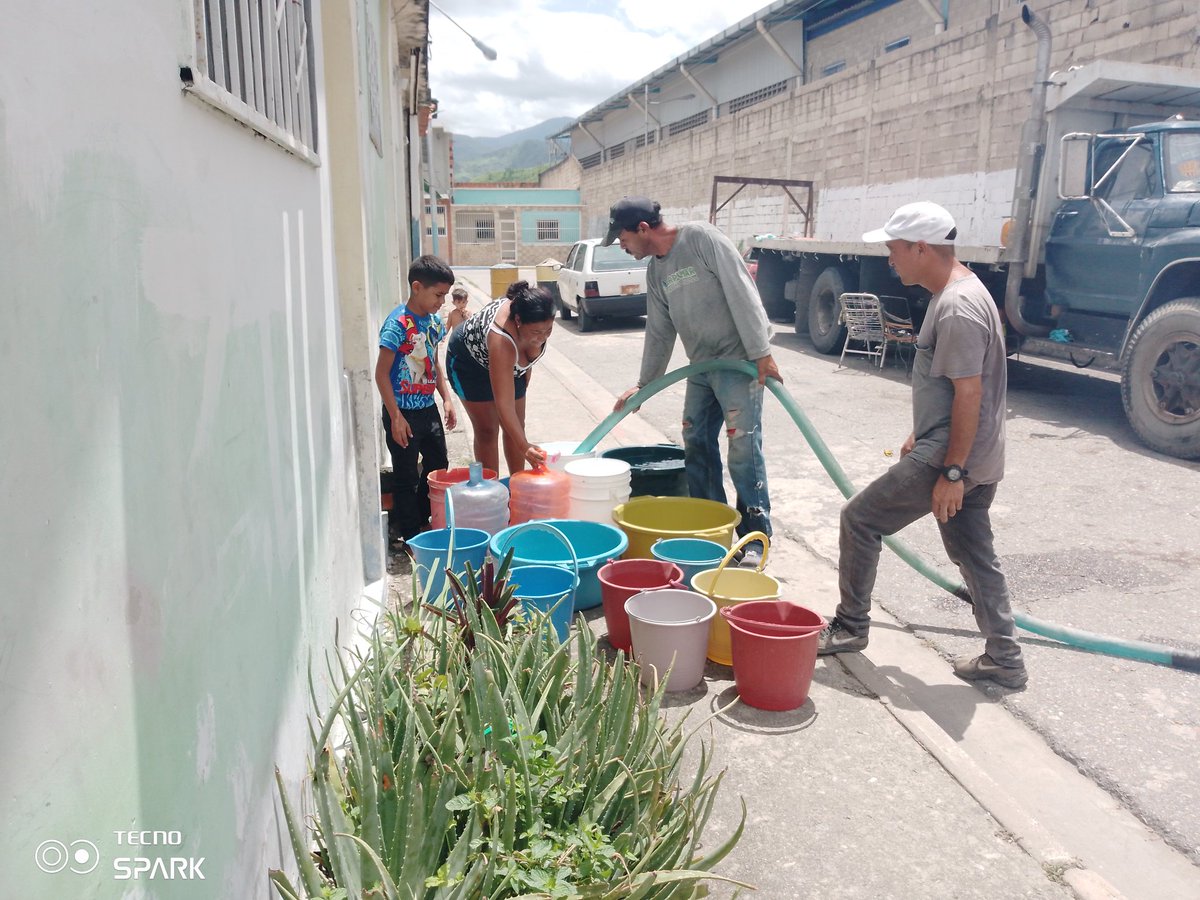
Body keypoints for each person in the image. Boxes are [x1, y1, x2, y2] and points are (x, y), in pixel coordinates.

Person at [817, 201, 1027, 689]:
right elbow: (957, 386)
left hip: (953, 457)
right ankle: (1005, 660)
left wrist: (952, 472)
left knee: (860, 519)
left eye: (894, 249)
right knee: (975, 557)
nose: (890, 259)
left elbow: (970, 392)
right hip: (974, 451)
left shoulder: (955, 307)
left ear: (920, 247)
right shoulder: (961, 290)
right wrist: (924, 429)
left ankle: (850, 627)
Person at [608, 196, 780, 567]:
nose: (620, 246)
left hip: (739, 362)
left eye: (622, 238)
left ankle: (755, 538)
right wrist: (645, 384)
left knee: (742, 448)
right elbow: (659, 330)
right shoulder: (655, 271)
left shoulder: (702, 239)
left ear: (642, 228)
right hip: (701, 366)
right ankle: (711, 527)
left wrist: (760, 351)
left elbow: (742, 292)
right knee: (696, 440)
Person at [374, 255, 458, 543]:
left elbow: (433, 361)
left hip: (427, 408)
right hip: (402, 414)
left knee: (438, 467)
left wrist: (446, 398)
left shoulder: (434, 323)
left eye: (445, 296)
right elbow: (381, 374)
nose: (441, 302)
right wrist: (395, 417)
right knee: (406, 474)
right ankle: (409, 534)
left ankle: (421, 519)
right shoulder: (397, 324)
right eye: (438, 295)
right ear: (417, 287)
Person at [445, 280, 555, 474]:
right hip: (468, 363)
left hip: (506, 361)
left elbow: (527, 356)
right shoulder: (501, 339)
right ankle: (491, 491)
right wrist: (525, 447)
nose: (543, 337)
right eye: (537, 332)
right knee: (487, 430)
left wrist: (525, 368)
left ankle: (516, 488)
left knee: (516, 429)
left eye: (548, 330)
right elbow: (504, 405)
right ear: (519, 321)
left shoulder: (533, 325)